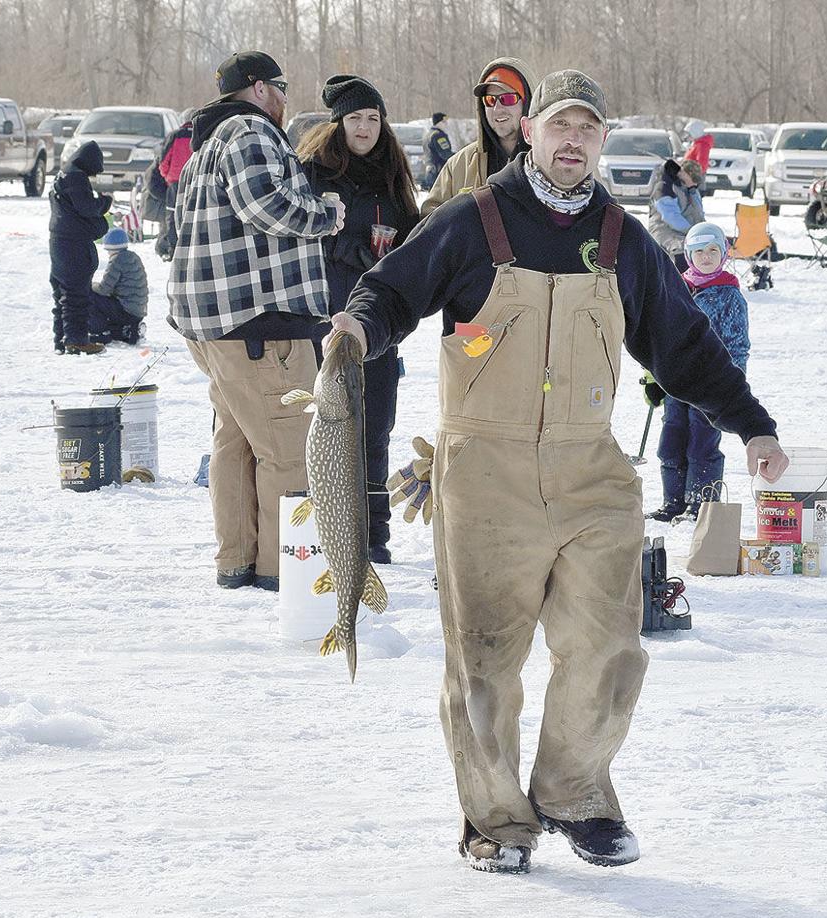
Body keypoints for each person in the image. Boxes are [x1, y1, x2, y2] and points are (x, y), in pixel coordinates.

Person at [329, 69, 788, 875]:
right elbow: (390, 292)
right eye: (559, 125)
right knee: (484, 662)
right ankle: (497, 821)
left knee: (611, 647)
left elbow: (683, 346)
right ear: (530, 130)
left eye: (589, 129)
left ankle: (574, 792)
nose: (573, 141)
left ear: (603, 141)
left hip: (590, 470)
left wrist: (750, 427)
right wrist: (357, 333)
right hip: (484, 473)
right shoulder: (471, 222)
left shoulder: (621, 239)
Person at [167, 50, 344, 593]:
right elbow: (265, 206)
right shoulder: (250, 131)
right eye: (283, 87)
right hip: (261, 326)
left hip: (216, 327)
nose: (287, 99)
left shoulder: (204, 146)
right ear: (261, 88)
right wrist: (328, 213)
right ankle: (283, 573)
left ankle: (238, 562)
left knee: (236, 444)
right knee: (290, 452)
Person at [298, 74, 421, 565]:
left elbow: (415, 237)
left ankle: (373, 537)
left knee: (375, 429)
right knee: (329, 432)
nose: (366, 127)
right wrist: (346, 244)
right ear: (338, 124)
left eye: (373, 118)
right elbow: (298, 234)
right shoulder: (313, 173)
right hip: (325, 317)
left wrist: (400, 246)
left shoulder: (392, 175)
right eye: (356, 118)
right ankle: (327, 534)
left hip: (381, 325)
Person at [646, 221, 750, 521]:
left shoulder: (729, 295)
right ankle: (674, 500)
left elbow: (737, 344)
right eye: (699, 251)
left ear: (723, 254)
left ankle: (701, 502)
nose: (706, 257)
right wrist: (652, 376)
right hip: (675, 381)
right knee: (672, 440)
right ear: (689, 255)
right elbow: (658, 334)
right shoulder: (676, 288)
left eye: (713, 250)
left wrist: (732, 383)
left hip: (710, 384)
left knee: (702, 443)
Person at [422, 58, 536, 216]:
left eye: (508, 99)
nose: (497, 109)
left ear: (528, 103)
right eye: (490, 100)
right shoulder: (460, 165)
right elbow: (429, 217)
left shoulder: (550, 159)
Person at [48, 140, 112, 355]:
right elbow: (86, 208)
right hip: (74, 245)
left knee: (63, 293)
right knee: (76, 294)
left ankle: (62, 339)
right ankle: (76, 339)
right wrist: (104, 203)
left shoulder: (63, 174)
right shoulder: (76, 177)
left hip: (59, 242)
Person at [90, 227, 148, 344]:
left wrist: (90, 285)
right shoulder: (133, 257)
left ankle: (100, 332)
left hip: (125, 310)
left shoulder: (117, 260)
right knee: (108, 304)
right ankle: (125, 331)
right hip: (137, 311)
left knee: (90, 296)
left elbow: (103, 289)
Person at [647, 158, 705, 271]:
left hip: (686, 232)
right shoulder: (664, 188)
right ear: (682, 174)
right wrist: (692, 232)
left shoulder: (689, 189)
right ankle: (681, 282)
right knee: (681, 248)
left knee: (706, 247)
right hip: (663, 230)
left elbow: (698, 215)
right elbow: (671, 217)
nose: (696, 183)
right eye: (693, 179)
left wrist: (693, 190)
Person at [154, 111, 193, 260]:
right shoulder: (202, 135)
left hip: (175, 183)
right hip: (193, 182)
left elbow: (163, 162)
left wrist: (167, 177)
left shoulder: (175, 135)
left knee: (172, 216)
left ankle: (174, 249)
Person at [422, 112, 454, 190]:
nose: (446, 124)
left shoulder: (428, 134)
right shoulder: (438, 136)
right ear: (439, 123)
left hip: (431, 172)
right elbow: (445, 154)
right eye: (444, 122)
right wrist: (459, 156)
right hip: (439, 173)